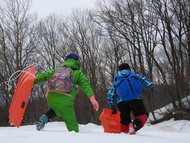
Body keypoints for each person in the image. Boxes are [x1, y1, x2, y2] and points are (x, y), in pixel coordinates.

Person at [34, 53, 99, 132]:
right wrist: (92, 98)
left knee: (55, 111)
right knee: (73, 127)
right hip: (65, 102)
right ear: (77, 62)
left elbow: (44, 76)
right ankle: (75, 138)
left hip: (51, 99)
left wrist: (32, 81)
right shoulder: (78, 73)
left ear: (66, 60)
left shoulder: (57, 70)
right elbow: (86, 85)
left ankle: (46, 116)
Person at [107, 63, 159, 134]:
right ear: (129, 69)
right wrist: (151, 86)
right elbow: (144, 79)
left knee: (124, 120)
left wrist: (112, 105)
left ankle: (124, 133)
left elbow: (111, 94)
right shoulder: (134, 75)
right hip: (135, 99)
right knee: (142, 115)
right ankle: (134, 125)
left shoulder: (117, 80)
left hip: (122, 102)